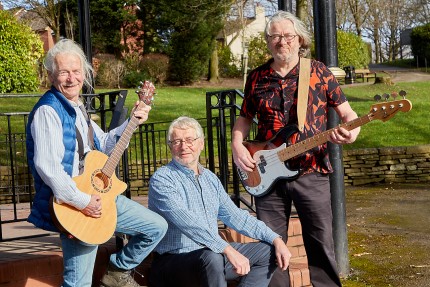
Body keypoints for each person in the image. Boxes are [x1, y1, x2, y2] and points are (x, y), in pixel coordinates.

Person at [231, 11, 361, 287]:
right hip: (266, 173)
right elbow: (244, 118)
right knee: (270, 246)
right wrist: (237, 145)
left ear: (299, 39)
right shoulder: (256, 77)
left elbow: (349, 115)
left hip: (311, 171)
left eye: (287, 36)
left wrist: (352, 132)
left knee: (320, 242)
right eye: (275, 36)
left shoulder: (318, 72)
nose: (282, 41)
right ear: (267, 41)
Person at [26, 39, 167, 287]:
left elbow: (105, 144)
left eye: (77, 71)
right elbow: (48, 168)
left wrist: (131, 122)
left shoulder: (77, 106)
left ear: (85, 73)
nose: (72, 78)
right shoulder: (48, 111)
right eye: (64, 72)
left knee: (156, 226)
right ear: (51, 75)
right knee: (77, 284)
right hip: (73, 205)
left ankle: (116, 273)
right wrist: (84, 202)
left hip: (100, 198)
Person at [147, 116, 292, 287]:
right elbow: (189, 223)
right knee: (213, 258)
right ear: (170, 146)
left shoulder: (210, 178)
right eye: (177, 141)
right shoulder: (162, 179)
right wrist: (227, 249)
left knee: (268, 251)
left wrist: (276, 239)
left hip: (210, 255)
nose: (184, 146)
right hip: (173, 262)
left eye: (189, 140)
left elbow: (236, 216)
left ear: (201, 144)